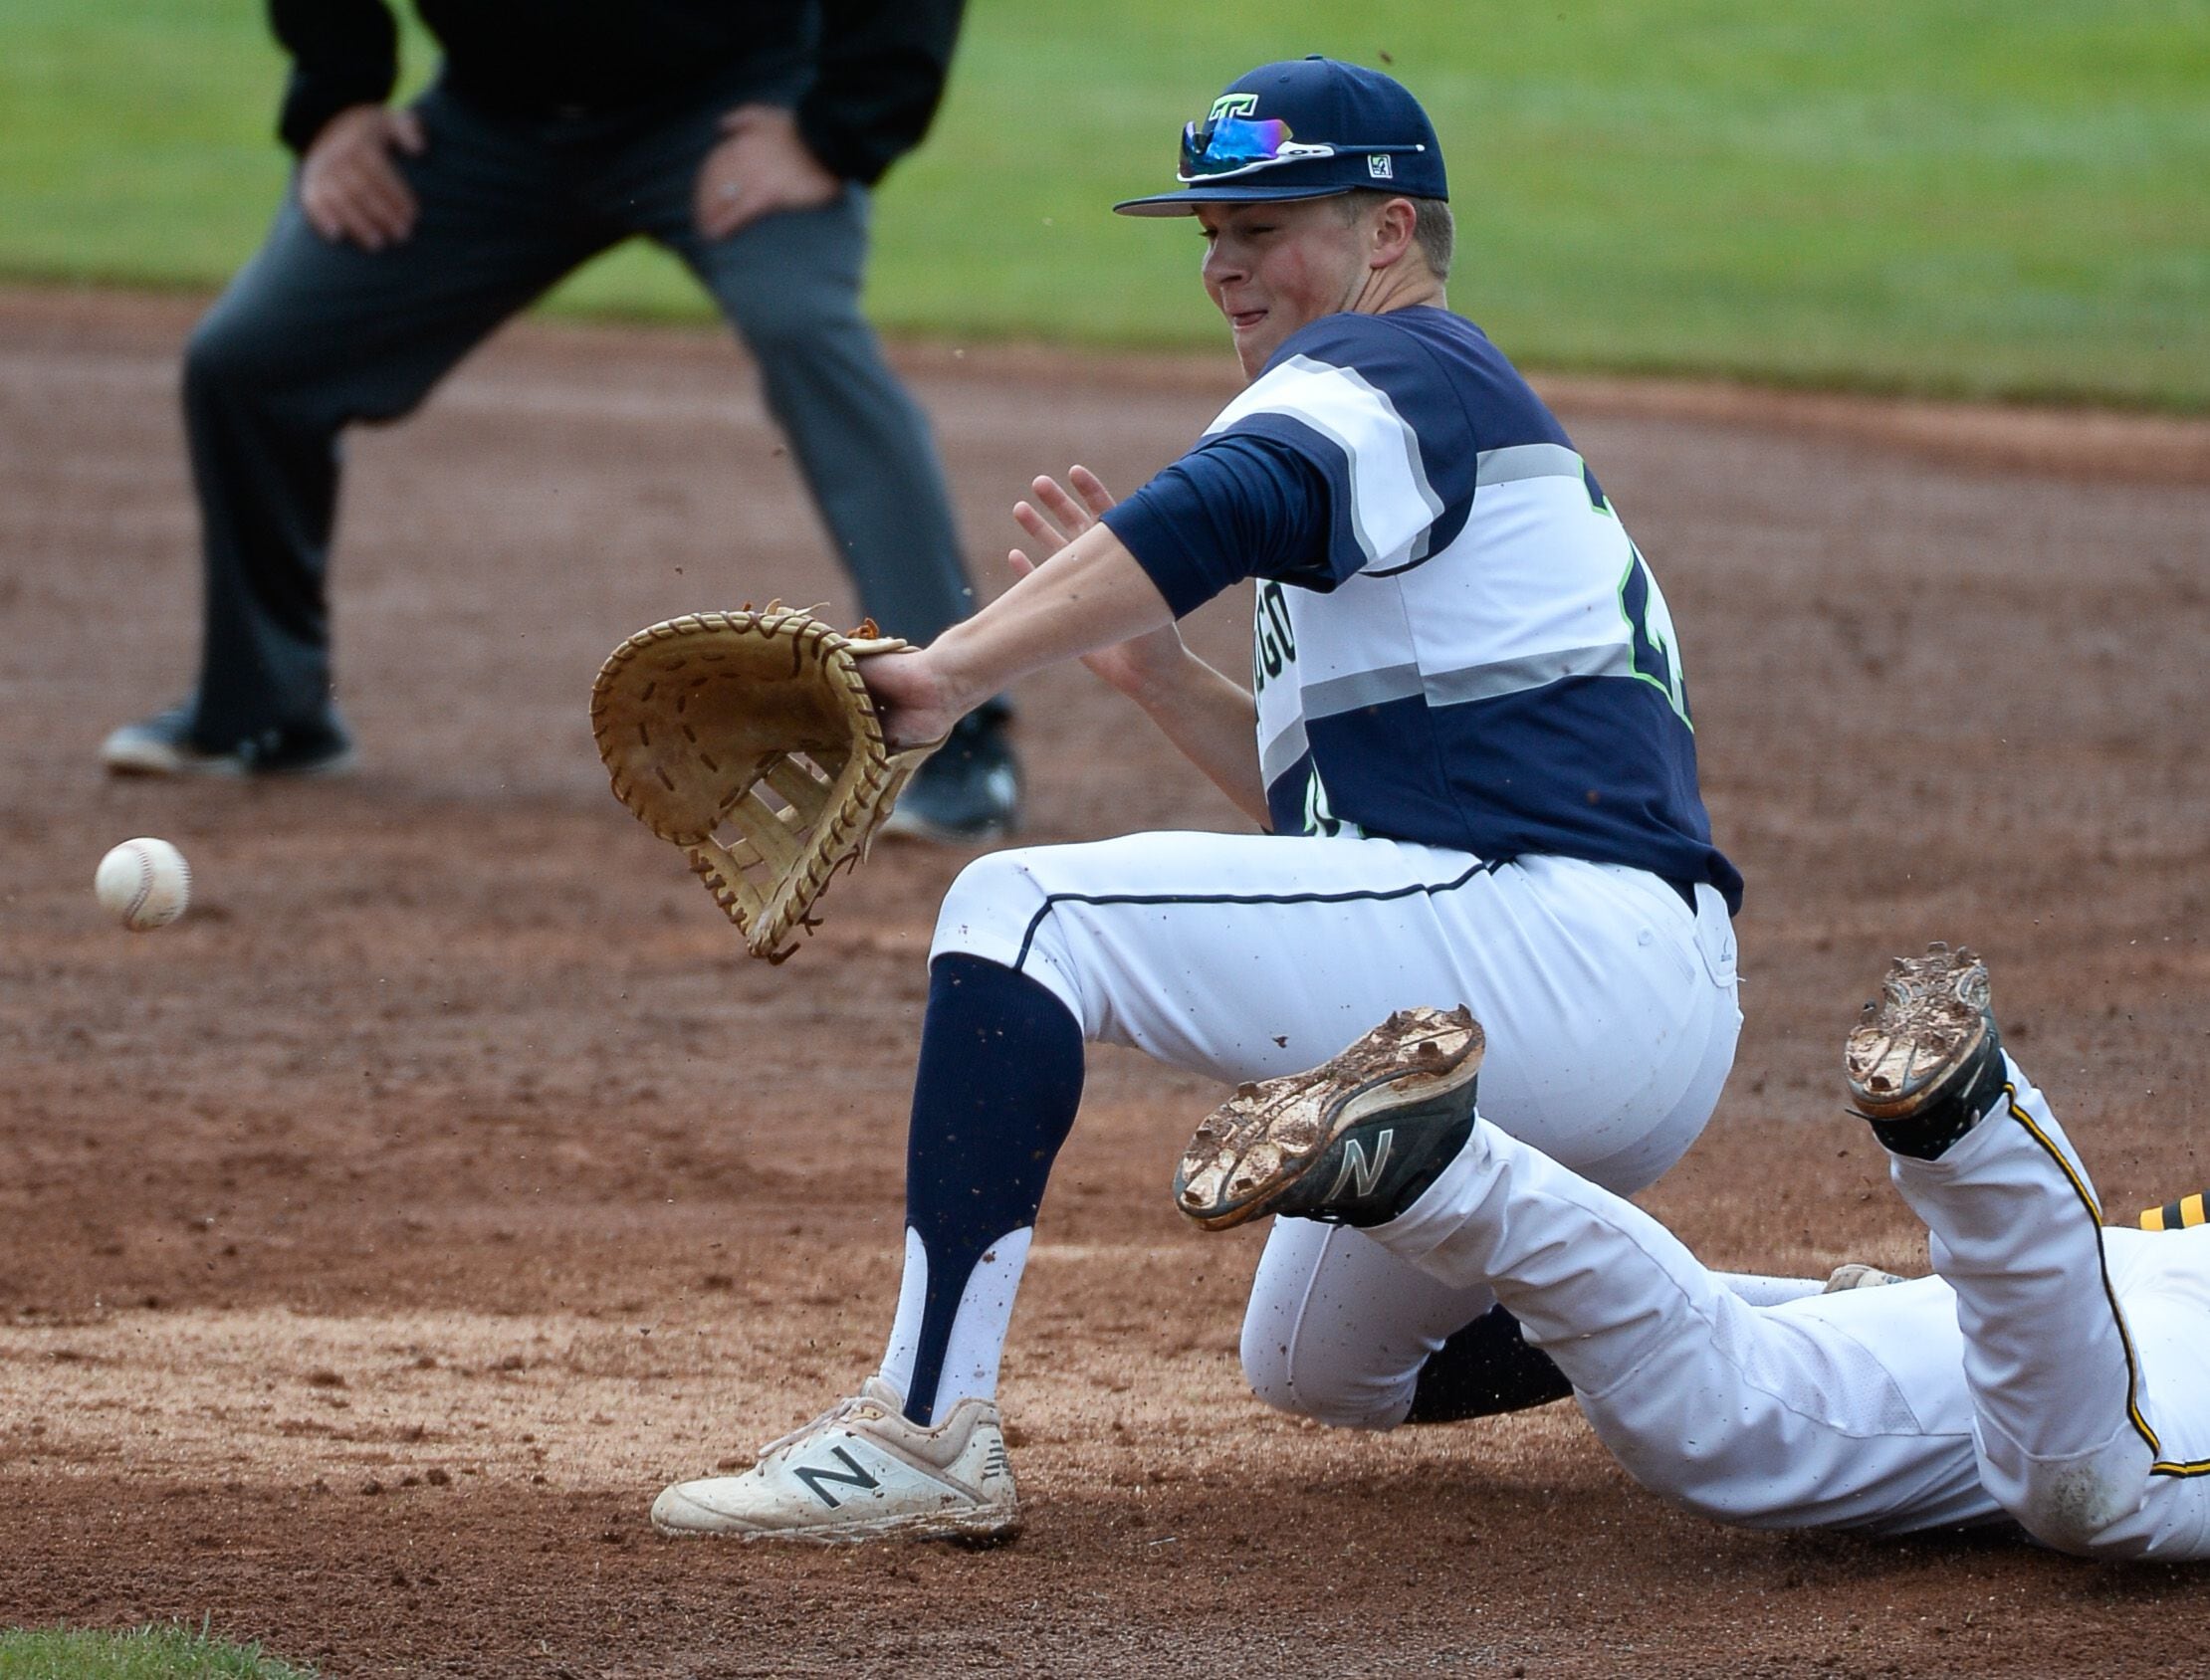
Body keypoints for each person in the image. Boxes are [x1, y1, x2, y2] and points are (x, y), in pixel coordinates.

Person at [649, 56, 1753, 1545]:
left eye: (1267, 225)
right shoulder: (1421, 432)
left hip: (1558, 957)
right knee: (1317, 1363)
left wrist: (948, 674)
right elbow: (1346, 840)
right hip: (1586, 995)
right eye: (1210, 233)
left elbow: (1221, 502)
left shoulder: (1400, 368)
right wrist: (1164, 681)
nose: (1225, 266)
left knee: (1022, 909)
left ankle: (921, 1430)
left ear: (1388, 233)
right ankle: (1796, 1323)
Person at [99, 0, 1019, 841]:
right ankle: (266, 709)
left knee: (806, 331)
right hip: (488, 125)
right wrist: (338, 103)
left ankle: (956, 734)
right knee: (252, 363)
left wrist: (833, 132)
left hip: (728, 108)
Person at [1167, 943, 2210, 1561]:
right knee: (2103, 1486)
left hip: (2098, 1312)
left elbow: (2149, 1252)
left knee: (1730, 1425)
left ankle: (1441, 1173)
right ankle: (1974, 1136)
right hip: (2129, 1328)